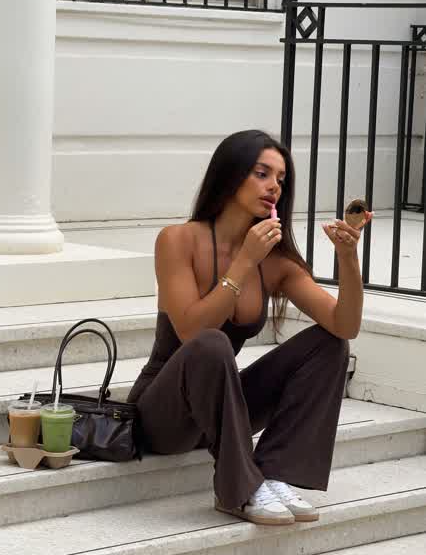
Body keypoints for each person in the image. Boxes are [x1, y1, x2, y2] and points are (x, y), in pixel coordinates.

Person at [127, 129, 373, 526]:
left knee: (330, 345)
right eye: (262, 173)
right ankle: (238, 490)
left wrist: (348, 258)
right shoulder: (178, 240)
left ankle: (274, 472)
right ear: (230, 174)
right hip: (164, 414)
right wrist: (244, 261)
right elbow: (192, 332)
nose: (274, 186)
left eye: (280, 178)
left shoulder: (275, 262)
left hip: (221, 406)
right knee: (210, 343)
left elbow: (345, 324)